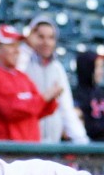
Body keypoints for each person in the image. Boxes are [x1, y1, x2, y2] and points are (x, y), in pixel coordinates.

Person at [0, 23, 59, 142]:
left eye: (18, 45)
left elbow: (39, 110)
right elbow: (12, 110)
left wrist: (51, 100)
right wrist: (44, 98)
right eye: (11, 45)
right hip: (0, 148)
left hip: (26, 146)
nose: (17, 50)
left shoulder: (21, 76)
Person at [19, 16, 89, 145]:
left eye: (51, 38)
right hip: (26, 143)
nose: (46, 42)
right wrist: (28, 46)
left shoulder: (57, 68)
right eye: (41, 37)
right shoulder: (22, 61)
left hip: (52, 143)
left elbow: (66, 108)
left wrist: (82, 141)